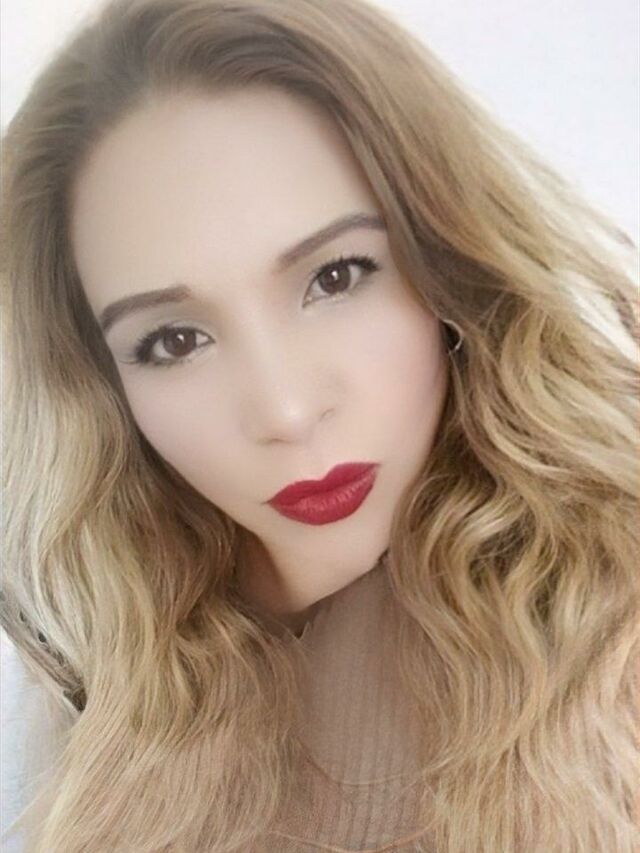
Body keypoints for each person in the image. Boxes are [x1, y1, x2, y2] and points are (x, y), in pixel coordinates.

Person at [1, 0, 638, 850]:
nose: (287, 411)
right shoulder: (78, 674)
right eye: (176, 340)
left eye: (335, 277)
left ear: (446, 257)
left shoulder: (612, 631)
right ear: (101, 382)